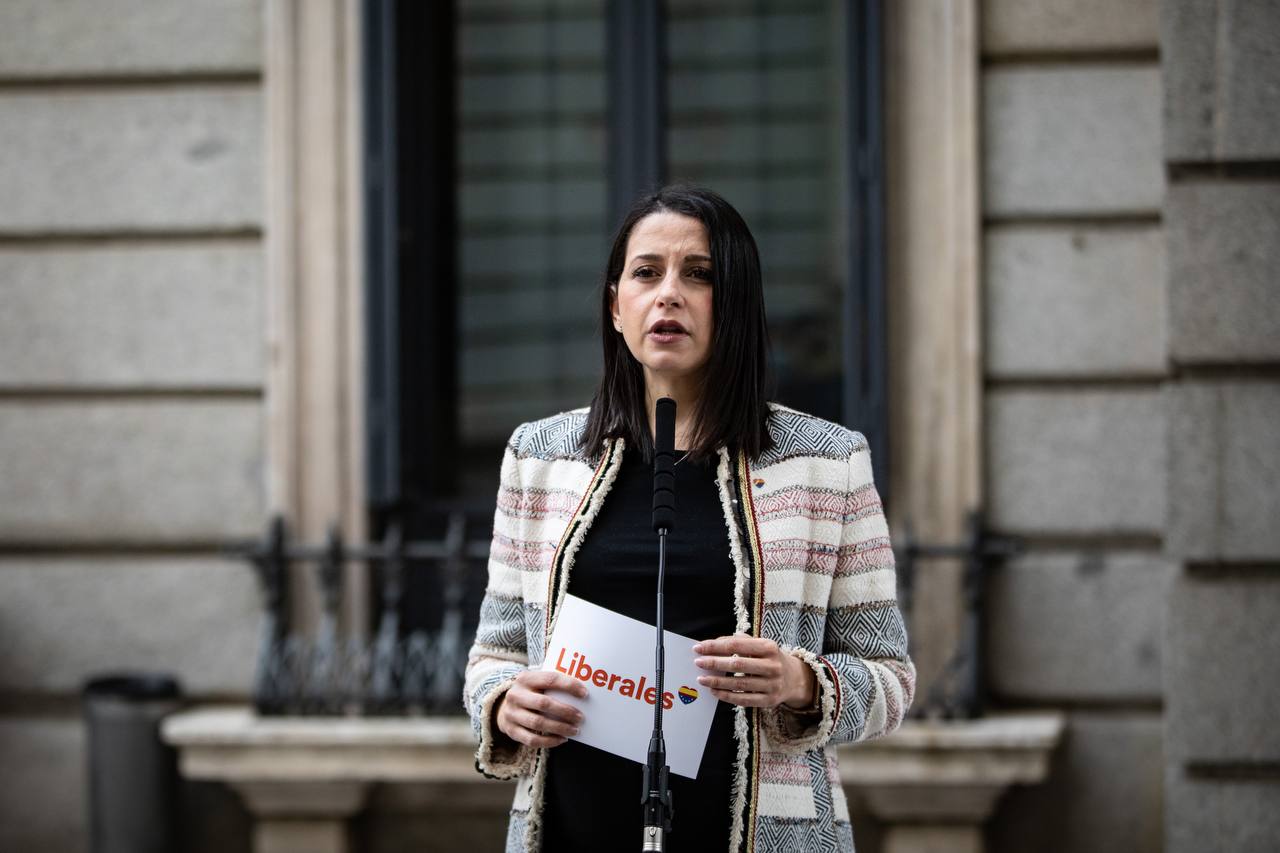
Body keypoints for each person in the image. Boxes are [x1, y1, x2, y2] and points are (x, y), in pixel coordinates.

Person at [463, 185, 915, 852]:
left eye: (698, 274)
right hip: (570, 828)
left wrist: (800, 683)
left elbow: (890, 679)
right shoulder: (540, 458)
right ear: (616, 305)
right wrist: (505, 703)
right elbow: (494, 657)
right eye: (646, 273)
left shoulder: (828, 463)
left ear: (735, 304)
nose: (668, 294)